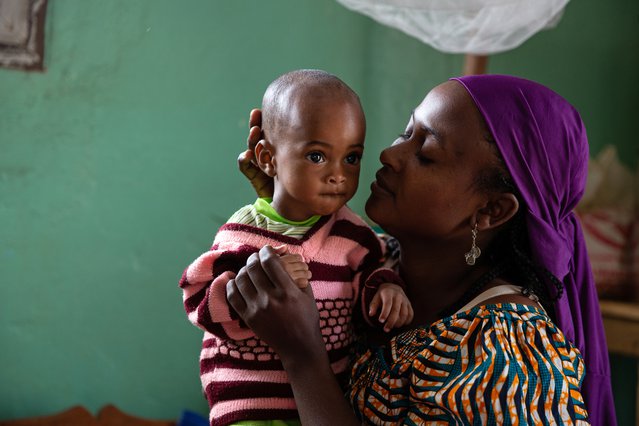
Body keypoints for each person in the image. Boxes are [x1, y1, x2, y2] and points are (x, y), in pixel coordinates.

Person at [227, 74, 616, 425]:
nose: (389, 155)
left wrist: (304, 358)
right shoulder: (375, 258)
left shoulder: (504, 357)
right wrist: (285, 208)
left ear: (490, 210)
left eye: (426, 154)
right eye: (405, 132)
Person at [179, 69, 412, 426]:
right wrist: (252, 285)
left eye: (351, 158)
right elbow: (197, 299)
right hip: (247, 402)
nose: (338, 174)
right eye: (317, 156)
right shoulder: (245, 232)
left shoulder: (355, 234)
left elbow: (371, 274)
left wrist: (387, 289)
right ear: (268, 158)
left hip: (319, 405)